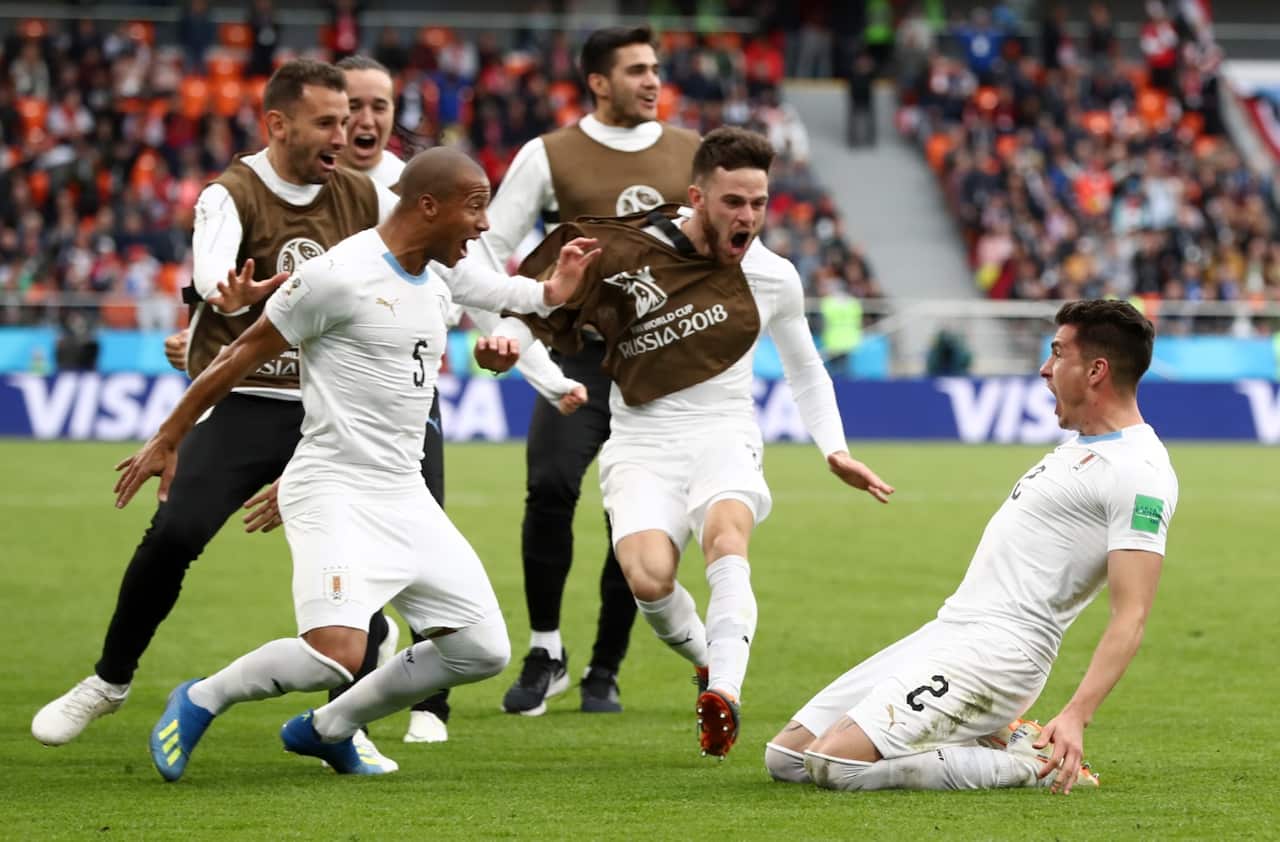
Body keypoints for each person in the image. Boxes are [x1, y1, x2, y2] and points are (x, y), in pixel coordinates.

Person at [114, 147, 599, 780]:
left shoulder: (440, 272)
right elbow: (238, 354)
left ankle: (329, 728)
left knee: (482, 649)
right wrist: (170, 435)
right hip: (332, 487)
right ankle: (203, 696)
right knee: (336, 653)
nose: (483, 226)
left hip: (402, 493)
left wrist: (554, 289)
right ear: (428, 206)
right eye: (475, 208)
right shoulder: (336, 276)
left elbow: (509, 291)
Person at [480, 127, 895, 758]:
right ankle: (708, 662)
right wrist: (508, 344)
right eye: (733, 202)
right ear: (697, 196)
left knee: (726, 539)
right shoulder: (627, 252)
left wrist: (833, 448)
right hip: (641, 438)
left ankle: (723, 694)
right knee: (648, 580)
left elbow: (805, 367)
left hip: (724, 432)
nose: (748, 217)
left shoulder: (772, 276)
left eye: (758, 203)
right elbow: (534, 308)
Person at [30, 61, 399, 768]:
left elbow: (402, 272)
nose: (345, 133)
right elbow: (211, 278)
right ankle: (108, 681)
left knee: (359, 573)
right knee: (176, 532)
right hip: (243, 402)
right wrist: (226, 298)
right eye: (327, 122)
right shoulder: (231, 194)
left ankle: (340, 724)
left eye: (347, 119)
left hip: (331, 411)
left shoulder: (363, 194)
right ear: (278, 125)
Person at [764, 299, 1177, 795]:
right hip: (951, 631)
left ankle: (1030, 765)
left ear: (1095, 370)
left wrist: (1076, 715)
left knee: (834, 766)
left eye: (1057, 353)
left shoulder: (1140, 473)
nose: (1044, 369)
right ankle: (991, 739)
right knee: (786, 758)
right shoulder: (1080, 448)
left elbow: (1130, 615)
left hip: (1003, 654)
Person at [481, 25, 701, 717]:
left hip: (660, 368)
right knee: (549, 486)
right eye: (636, 70)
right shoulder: (549, 155)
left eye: (656, 69)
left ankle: (605, 668)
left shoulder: (693, 153)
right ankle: (546, 649)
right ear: (598, 82)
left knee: (630, 518)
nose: (651, 81)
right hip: (575, 358)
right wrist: (508, 335)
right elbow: (485, 249)